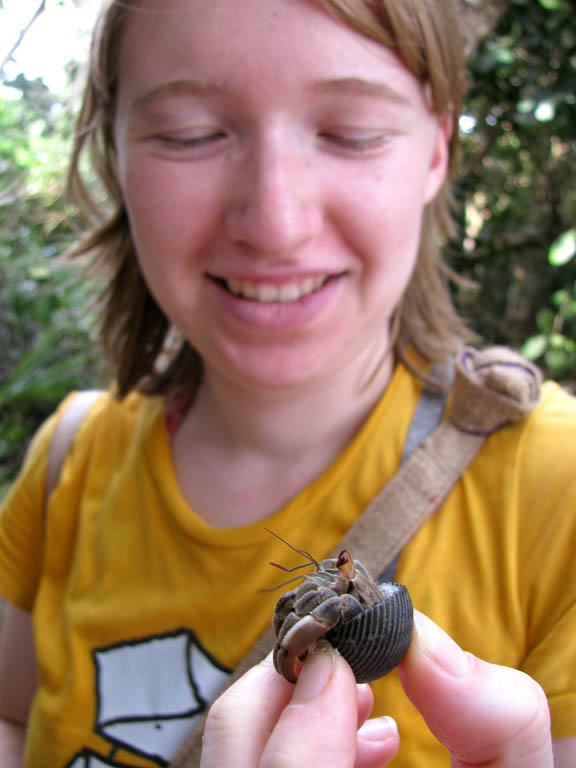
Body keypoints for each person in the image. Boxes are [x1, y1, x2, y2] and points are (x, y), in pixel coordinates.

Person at [0, 0, 574, 766]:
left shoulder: (558, 499)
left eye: (352, 133)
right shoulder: (66, 462)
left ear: (438, 150)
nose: (275, 222)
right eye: (190, 134)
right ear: (115, 153)